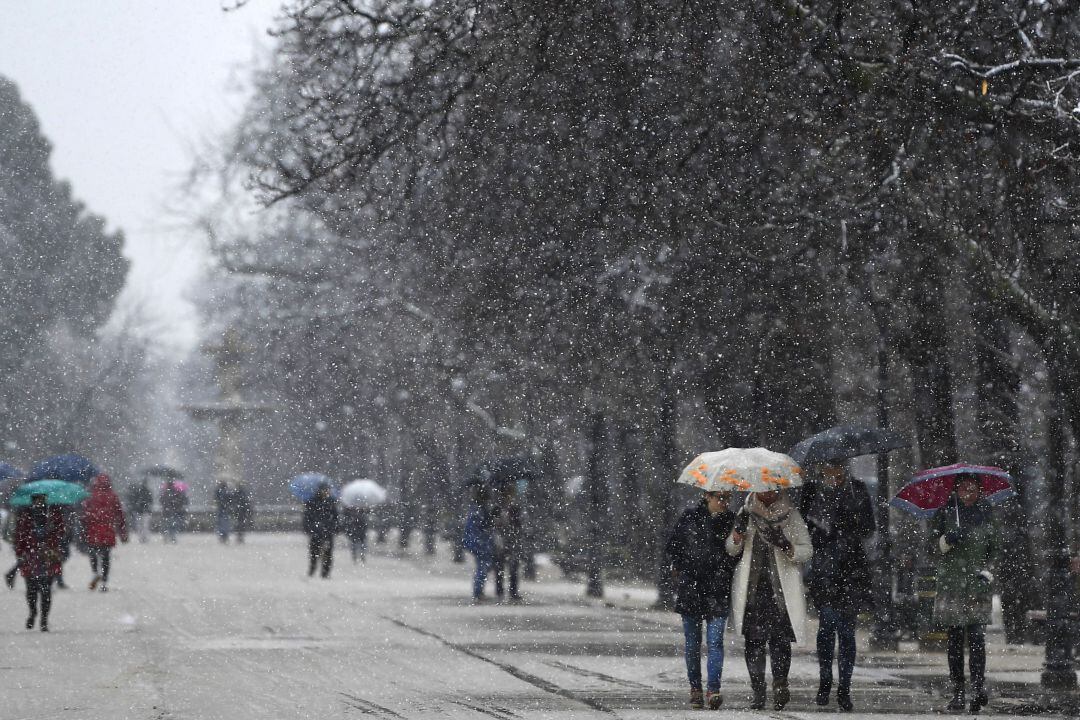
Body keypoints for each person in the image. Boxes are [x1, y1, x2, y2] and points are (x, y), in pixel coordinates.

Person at [727, 488, 812, 710]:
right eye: (762, 488)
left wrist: (786, 545)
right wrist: (737, 539)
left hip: (781, 592)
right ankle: (758, 690)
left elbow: (806, 550)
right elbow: (731, 548)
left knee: (779, 642)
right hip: (753, 590)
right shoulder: (745, 512)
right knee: (753, 643)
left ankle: (780, 684)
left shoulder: (791, 515)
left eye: (772, 489)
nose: (767, 493)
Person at [800, 463, 875, 712]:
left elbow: (868, 527)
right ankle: (825, 680)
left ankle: (844, 686)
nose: (834, 473)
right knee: (827, 626)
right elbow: (803, 527)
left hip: (851, 569)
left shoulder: (857, 489)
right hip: (824, 569)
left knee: (846, 630)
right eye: (828, 468)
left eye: (838, 468)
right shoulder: (811, 491)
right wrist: (820, 525)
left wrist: (850, 519)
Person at [666, 489, 737, 710]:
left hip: (717, 589)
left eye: (727, 498)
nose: (724, 502)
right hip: (692, 589)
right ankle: (696, 689)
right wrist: (681, 567)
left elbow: (736, 553)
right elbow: (673, 547)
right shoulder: (689, 517)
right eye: (720, 497)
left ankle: (713, 689)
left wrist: (725, 567)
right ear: (708, 496)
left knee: (715, 642)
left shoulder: (731, 521)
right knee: (693, 644)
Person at [932, 474, 998, 713]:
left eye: (973, 488)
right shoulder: (946, 513)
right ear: (956, 490)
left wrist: (987, 573)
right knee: (955, 641)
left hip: (977, 586)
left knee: (977, 639)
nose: (968, 493)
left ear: (979, 490)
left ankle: (978, 687)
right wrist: (946, 540)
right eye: (963, 488)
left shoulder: (987, 514)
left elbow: (996, 549)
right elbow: (931, 547)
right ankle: (958, 691)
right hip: (951, 586)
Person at [14, 493, 65, 631]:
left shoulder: (54, 513)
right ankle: (33, 612)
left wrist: (53, 531)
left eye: (42, 499)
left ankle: (43, 619)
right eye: (37, 500)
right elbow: (20, 536)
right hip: (30, 557)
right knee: (31, 590)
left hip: (47, 557)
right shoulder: (26, 515)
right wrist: (20, 552)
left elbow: (61, 532)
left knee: (46, 590)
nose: (40, 503)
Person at [82, 474, 129, 592]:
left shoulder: (90, 496)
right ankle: (104, 581)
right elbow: (120, 515)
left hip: (93, 530)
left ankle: (95, 572)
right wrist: (123, 532)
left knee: (93, 553)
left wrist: (84, 529)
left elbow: (85, 515)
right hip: (108, 530)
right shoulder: (113, 496)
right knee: (106, 557)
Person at [462, 485, 495, 603]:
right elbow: (479, 526)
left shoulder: (477, 509)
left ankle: (478, 591)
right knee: (482, 567)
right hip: (480, 542)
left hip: (478, 542)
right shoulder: (479, 510)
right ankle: (478, 592)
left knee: (482, 566)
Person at [492, 483, 525, 602]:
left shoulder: (515, 508)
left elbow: (518, 524)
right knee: (500, 567)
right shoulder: (497, 508)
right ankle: (501, 591)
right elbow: (493, 524)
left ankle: (512, 591)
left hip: (512, 540)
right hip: (501, 542)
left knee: (513, 567)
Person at [303, 483, 338, 578]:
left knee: (328, 553)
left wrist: (334, 528)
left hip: (327, 531)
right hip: (316, 531)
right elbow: (307, 517)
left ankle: (325, 572)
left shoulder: (331, 502)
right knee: (314, 552)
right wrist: (309, 528)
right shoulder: (312, 502)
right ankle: (313, 568)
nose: (326, 492)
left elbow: (335, 517)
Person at [126, 478, 153, 543]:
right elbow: (150, 501)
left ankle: (141, 538)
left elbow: (133, 500)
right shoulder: (148, 491)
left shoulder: (138, 491)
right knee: (145, 526)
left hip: (139, 511)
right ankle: (144, 538)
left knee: (140, 526)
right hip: (145, 511)